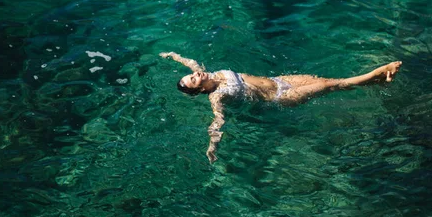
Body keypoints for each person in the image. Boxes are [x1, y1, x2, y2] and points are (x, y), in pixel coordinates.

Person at [160, 52, 402, 163]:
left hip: (280, 80)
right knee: (329, 84)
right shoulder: (216, 97)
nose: (194, 74)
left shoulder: (209, 74)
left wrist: (173, 55)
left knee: (325, 82)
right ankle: (377, 72)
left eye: (191, 75)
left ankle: (374, 83)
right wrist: (213, 147)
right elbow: (217, 122)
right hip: (280, 98)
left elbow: (190, 61)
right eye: (192, 80)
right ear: (200, 90)